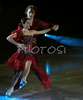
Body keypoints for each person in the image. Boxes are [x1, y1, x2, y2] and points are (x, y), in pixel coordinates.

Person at [5, 17, 55, 96]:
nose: (30, 24)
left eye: (30, 23)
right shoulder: (19, 32)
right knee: (17, 74)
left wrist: (51, 28)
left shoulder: (32, 32)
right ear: (23, 24)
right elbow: (8, 38)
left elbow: (42, 31)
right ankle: (11, 88)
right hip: (20, 55)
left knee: (28, 64)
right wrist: (18, 44)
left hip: (29, 53)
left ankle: (24, 79)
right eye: (28, 23)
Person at [15, 5, 59, 90]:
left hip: (34, 47)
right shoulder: (22, 23)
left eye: (33, 12)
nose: (31, 14)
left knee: (37, 66)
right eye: (30, 12)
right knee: (20, 66)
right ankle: (16, 85)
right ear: (26, 13)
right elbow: (19, 34)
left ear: (34, 13)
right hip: (24, 48)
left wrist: (53, 26)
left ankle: (45, 83)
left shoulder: (37, 22)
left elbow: (46, 25)